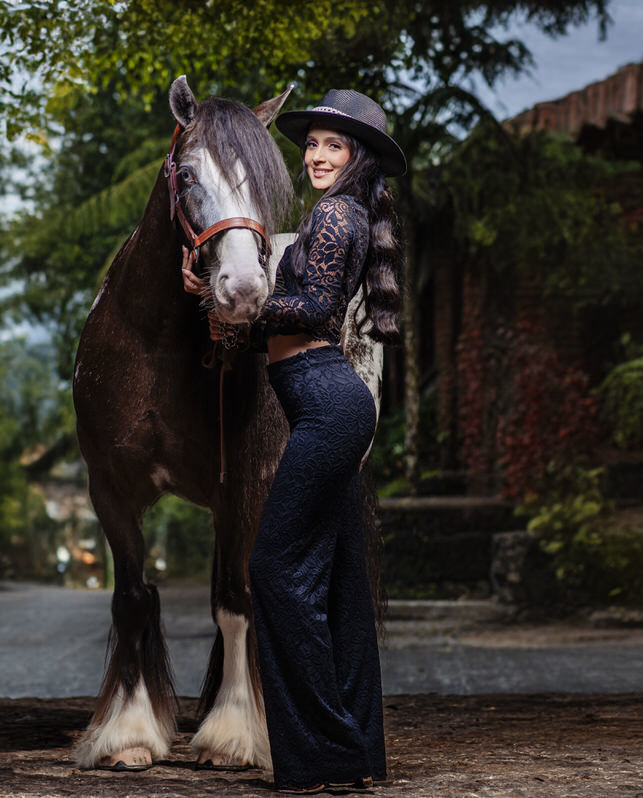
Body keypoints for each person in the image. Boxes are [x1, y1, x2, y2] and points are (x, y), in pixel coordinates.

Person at [183, 88, 406, 794]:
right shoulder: (339, 213)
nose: (315, 155)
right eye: (310, 144)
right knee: (340, 587)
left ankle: (326, 752)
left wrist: (232, 302)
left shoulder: (337, 214)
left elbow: (313, 307)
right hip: (327, 399)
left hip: (326, 403)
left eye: (332, 147)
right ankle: (358, 756)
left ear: (357, 159)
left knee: (275, 570)